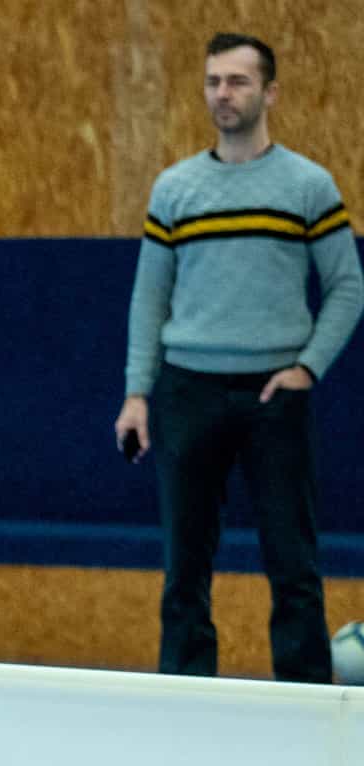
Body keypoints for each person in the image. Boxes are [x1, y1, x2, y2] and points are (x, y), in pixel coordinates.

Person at [115, 32, 363, 683]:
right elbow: (149, 297)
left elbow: (348, 285)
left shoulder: (308, 186)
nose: (222, 94)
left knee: (294, 566)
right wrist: (137, 394)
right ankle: (186, 703)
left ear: (270, 92)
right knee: (184, 568)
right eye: (213, 82)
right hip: (187, 391)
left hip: (275, 395)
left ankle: (308, 706)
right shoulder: (175, 190)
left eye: (238, 81)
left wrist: (307, 367)